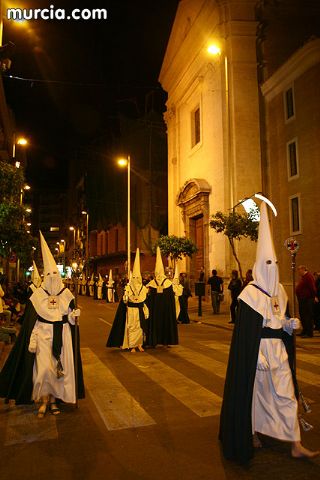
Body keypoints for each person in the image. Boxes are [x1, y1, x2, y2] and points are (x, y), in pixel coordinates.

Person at [219, 202, 319, 463]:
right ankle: (251, 431)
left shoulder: (281, 292)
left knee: (287, 395)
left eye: (275, 262)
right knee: (254, 396)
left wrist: (289, 325)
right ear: (259, 266)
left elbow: (279, 320)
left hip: (278, 353)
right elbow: (245, 335)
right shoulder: (249, 294)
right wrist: (255, 356)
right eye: (268, 262)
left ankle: (295, 443)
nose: (272, 266)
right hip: (259, 354)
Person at [0, 231, 85, 418]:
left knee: (58, 370)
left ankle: (53, 401)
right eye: (50, 274)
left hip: (62, 335)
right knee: (44, 369)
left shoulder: (66, 294)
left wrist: (74, 316)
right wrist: (33, 338)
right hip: (44, 335)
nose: (54, 276)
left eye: (56, 273)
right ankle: (44, 400)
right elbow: (32, 321)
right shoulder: (37, 296)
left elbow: (70, 319)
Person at [106, 249, 148, 352]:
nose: (137, 280)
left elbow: (144, 299)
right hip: (131, 310)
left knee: (139, 327)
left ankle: (139, 344)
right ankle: (132, 345)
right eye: (135, 278)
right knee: (131, 327)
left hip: (139, 310)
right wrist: (126, 297)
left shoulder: (143, 288)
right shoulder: (128, 288)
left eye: (138, 278)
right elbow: (125, 299)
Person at [145, 247, 178, 347]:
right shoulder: (163, 284)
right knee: (162, 324)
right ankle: (161, 341)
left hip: (157, 310)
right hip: (161, 310)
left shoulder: (162, 284)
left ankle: (160, 341)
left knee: (160, 324)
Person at [296, 265, 317, 338]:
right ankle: (304, 330)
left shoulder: (309, 276)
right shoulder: (304, 277)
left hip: (307, 299)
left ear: (303, 269)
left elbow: (312, 287)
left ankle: (309, 333)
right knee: (303, 316)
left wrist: (314, 296)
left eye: (299, 270)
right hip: (302, 299)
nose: (298, 272)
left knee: (308, 316)